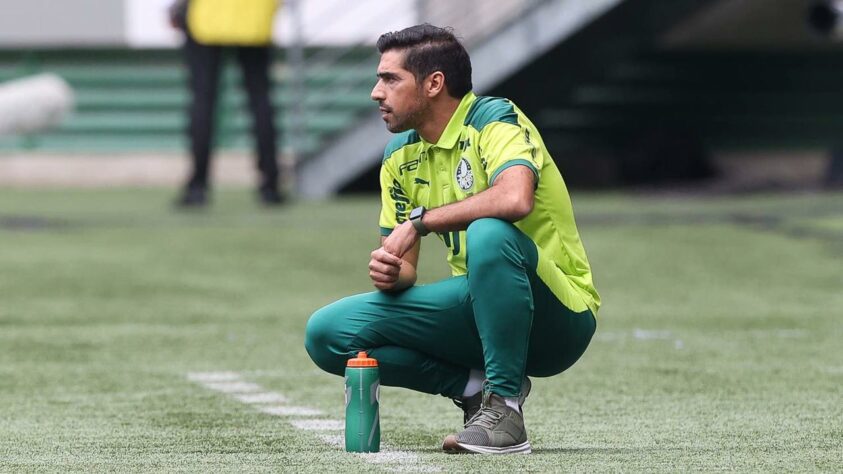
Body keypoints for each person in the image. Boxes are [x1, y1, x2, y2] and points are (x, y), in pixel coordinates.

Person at [304, 24, 600, 455]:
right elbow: (405, 268)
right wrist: (392, 272)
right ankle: (472, 388)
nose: (375, 92)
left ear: (434, 84)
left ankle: (505, 409)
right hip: (479, 310)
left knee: (490, 233)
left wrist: (423, 221)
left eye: (390, 79)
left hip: (560, 316)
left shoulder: (495, 118)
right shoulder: (399, 155)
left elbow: (515, 197)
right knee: (328, 334)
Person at [169, 0, 284, 207]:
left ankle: (198, 187)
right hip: (255, 15)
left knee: (203, 100)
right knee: (260, 99)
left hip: (208, 15)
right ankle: (270, 186)